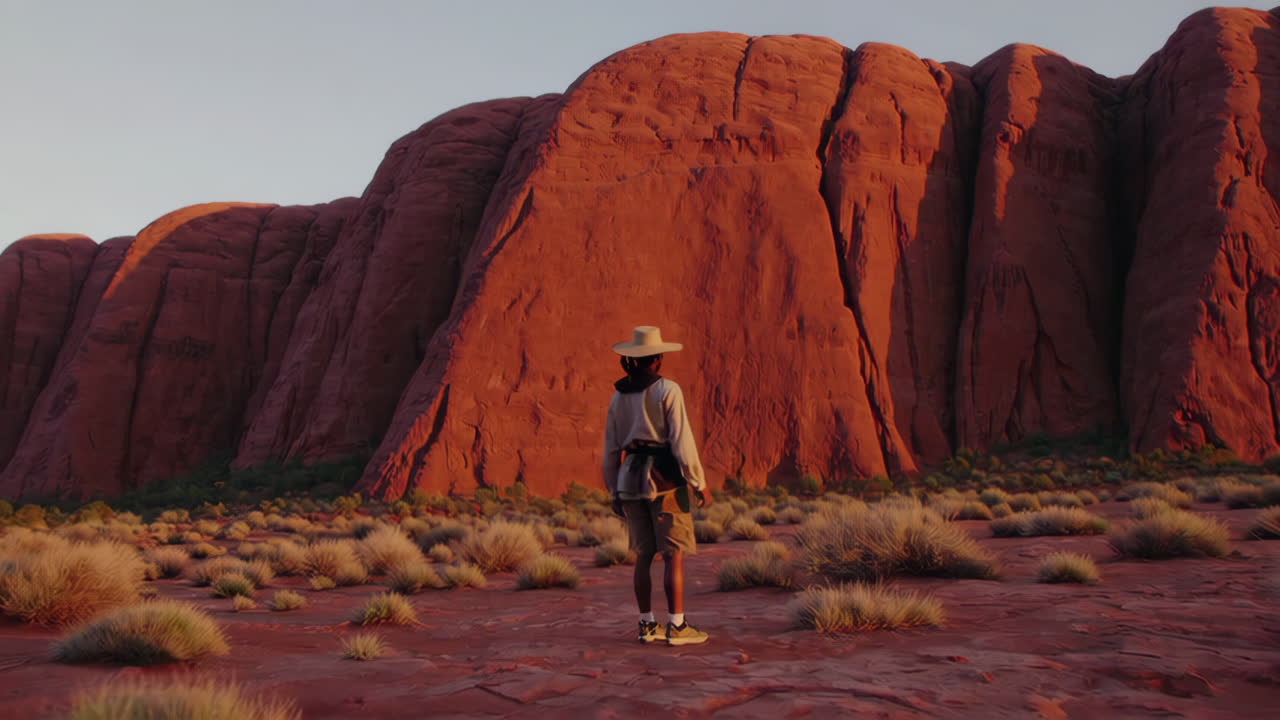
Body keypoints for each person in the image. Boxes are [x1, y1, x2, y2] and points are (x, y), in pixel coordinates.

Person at [602, 326, 710, 646]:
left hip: (630, 480)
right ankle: (677, 626)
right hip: (665, 480)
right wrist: (698, 482)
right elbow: (681, 440)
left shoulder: (618, 395)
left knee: (643, 555)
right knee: (673, 555)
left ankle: (646, 625)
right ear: (659, 358)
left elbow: (610, 448)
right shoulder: (668, 390)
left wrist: (613, 490)